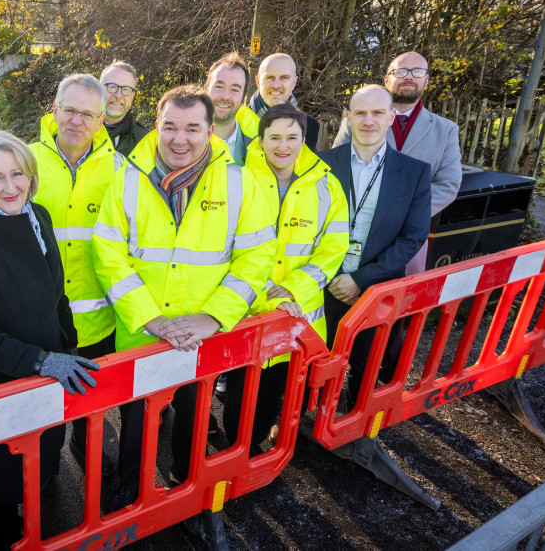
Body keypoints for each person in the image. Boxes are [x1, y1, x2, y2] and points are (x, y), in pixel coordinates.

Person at [93, 85, 275, 510]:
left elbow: (256, 258)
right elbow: (107, 253)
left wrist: (213, 317)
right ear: (156, 126)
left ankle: (186, 483)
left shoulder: (240, 183)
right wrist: (149, 318)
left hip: (202, 335)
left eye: (192, 128)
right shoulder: (127, 180)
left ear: (211, 131)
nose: (180, 138)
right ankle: (130, 490)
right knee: (137, 419)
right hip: (143, 333)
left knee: (194, 417)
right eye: (170, 126)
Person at [0, 131, 99, 545]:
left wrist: (68, 344)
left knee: (42, 454)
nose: (10, 188)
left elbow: (55, 289)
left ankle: (39, 494)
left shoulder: (39, 215)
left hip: (45, 365)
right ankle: (1, 519)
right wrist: (42, 360)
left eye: (17, 174)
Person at [237, 102, 348, 449]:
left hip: (301, 319)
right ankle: (241, 458)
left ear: (303, 140)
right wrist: (268, 293)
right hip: (251, 312)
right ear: (260, 139)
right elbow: (226, 247)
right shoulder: (238, 180)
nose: (282, 146)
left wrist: (291, 290)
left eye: (291, 137)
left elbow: (333, 250)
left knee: (287, 394)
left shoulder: (327, 186)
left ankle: (270, 447)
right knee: (243, 401)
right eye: (274, 137)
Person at [30, 74, 122, 477]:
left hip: (98, 319)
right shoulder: (24, 160)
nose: (76, 121)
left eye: (87, 114)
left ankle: (89, 452)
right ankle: (45, 474)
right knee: (42, 418)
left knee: (93, 409)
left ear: (102, 120)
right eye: (69, 110)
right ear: (54, 110)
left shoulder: (121, 170)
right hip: (39, 320)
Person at [319, 85, 431, 403]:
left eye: (378, 112)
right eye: (361, 113)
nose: (369, 120)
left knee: (365, 364)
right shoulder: (320, 164)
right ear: (348, 117)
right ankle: (298, 422)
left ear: (391, 116)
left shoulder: (414, 173)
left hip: (377, 289)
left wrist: (359, 279)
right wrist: (332, 276)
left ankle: (357, 428)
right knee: (314, 361)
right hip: (323, 283)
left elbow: (412, 237)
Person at [333, 52, 461, 274]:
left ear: (426, 80)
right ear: (387, 79)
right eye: (400, 71)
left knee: (397, 303)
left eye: (417, 72)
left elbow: (448, 184)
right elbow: (337, 172)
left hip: (408, 241)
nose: (409, 77)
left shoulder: (446, 130)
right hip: (351, 234)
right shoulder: (358, 120)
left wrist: (406, 214)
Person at [248, 53, 320, 152]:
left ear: (294, 82)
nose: (276, 85)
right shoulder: (237, 122)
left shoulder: (310, 126)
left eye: (284, 78)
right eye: (269, 77)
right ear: (257, 81)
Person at [205, 52, 259, 165]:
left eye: (234, 90)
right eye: (219, 87)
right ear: (205, 90)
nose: (225, 96)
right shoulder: (180, 141)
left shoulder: (259, 147)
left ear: (243, 98)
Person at [100, 60, 149, 155]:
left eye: (126, 89)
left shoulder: (144, 141)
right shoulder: (78, 129)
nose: (118, 95)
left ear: (133, 95)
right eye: (112, 86)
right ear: (99, 88)